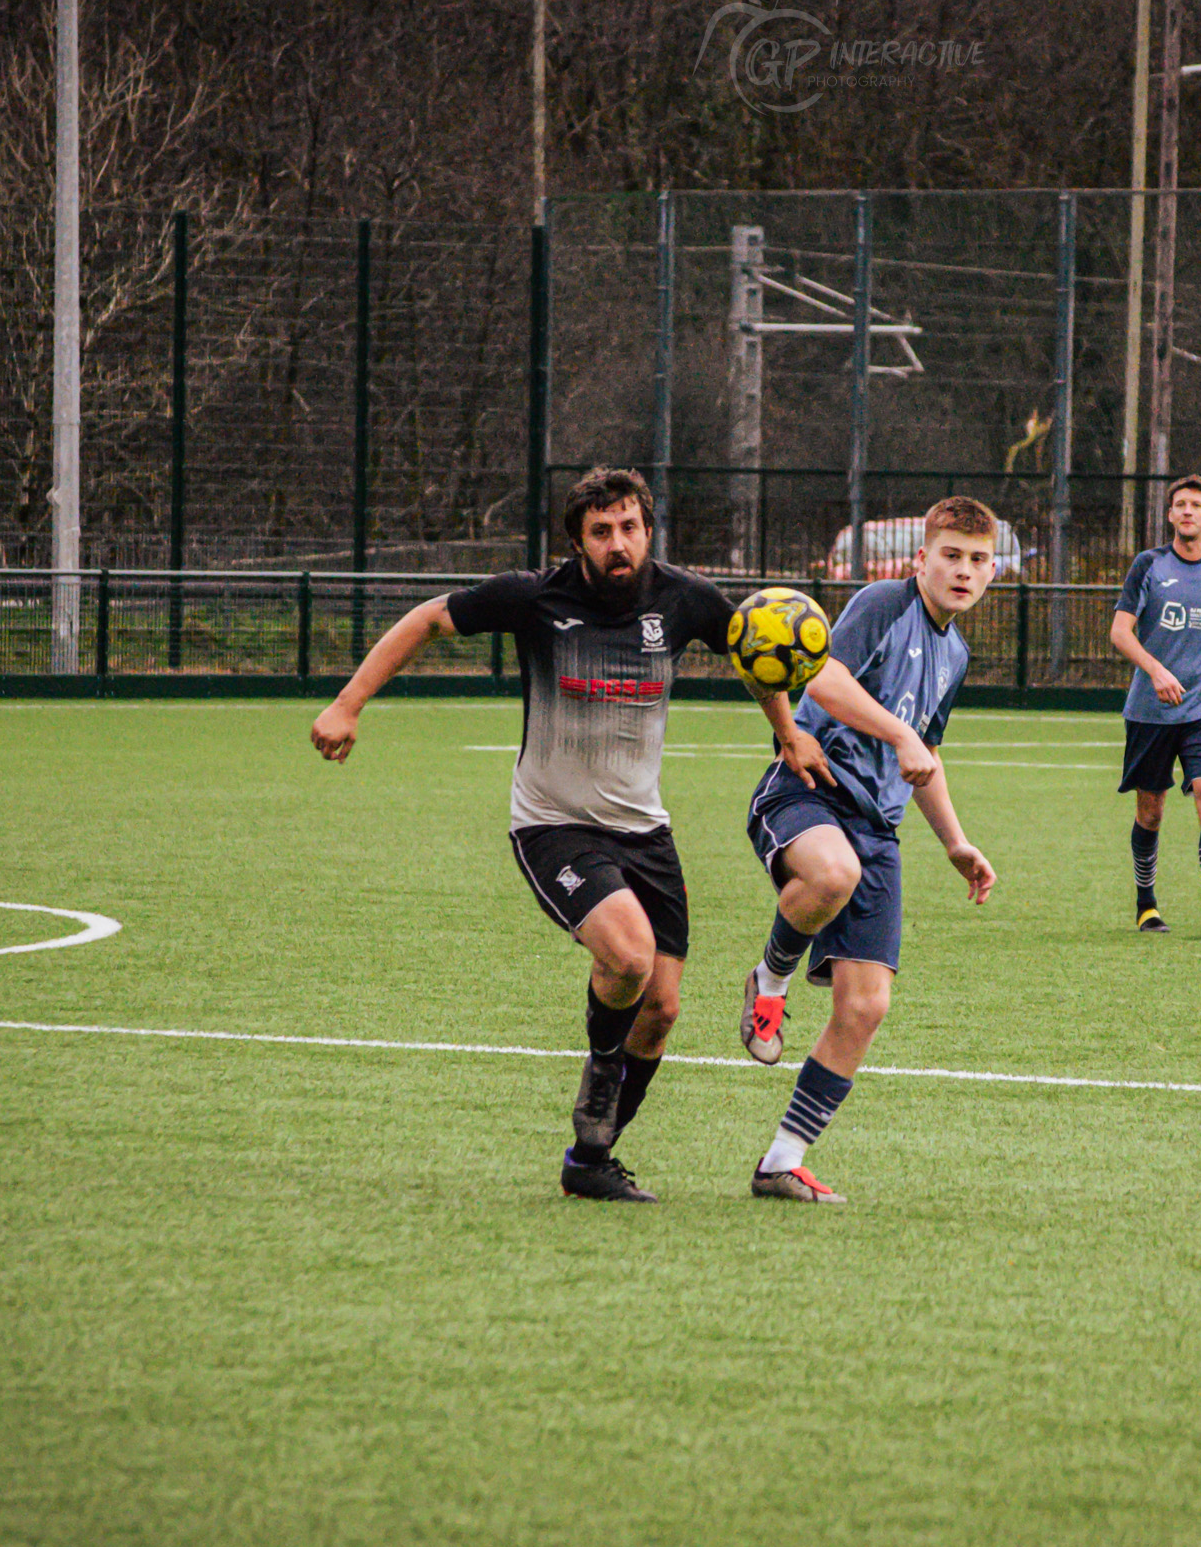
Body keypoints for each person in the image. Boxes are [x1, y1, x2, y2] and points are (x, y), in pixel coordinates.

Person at [311, 466, 830, 1204]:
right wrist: (348, 704)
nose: (618, 544)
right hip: (554, 824)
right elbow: (427, 618)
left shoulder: (685, 599)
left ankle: (592, 1159)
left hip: (645, 829)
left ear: (648, 529)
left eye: (629, 527)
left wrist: (787, 732)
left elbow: (755, 654)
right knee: (627, 954)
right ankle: (599, 1073)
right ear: (579, 541)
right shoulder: (537, 597)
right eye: (601, 532)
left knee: (662, 1008)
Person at [733, 495, 1001, 1204]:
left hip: (880, 827)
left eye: (977, 560)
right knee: (831, 872)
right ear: (922, 558)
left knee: (865, 1008)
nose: (963, 571)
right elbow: (821, 675)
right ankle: (770, 981)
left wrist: (956, 840)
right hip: (810, 787)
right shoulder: (884, 602)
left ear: (993, 570)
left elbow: (927, 751)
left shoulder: (957, 650)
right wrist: (899, 734)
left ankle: (780, 1160)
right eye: (950, 555)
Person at [1108, 475, 1201, 938]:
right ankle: (1146, 904)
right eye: (1180, 505)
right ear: (1170, 515)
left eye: (1196, 505)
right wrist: (1155, 671)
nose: (1188, 511)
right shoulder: (1148, 565)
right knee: (1150, 814)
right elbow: (1119, 632)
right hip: (1151, 713)